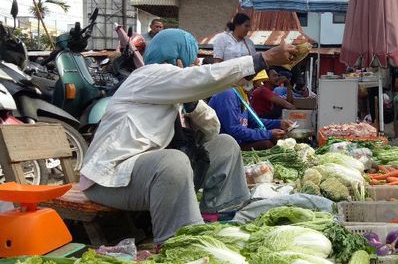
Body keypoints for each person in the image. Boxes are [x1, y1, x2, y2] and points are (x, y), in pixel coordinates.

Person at [79, 28, 297, 245]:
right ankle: (180, 243)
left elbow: (213, 129)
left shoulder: (174, 89)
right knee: (172, 161)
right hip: (109, 180)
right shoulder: (148, 76)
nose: (193, 66)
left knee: (225, 144)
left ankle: (220, 214)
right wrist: (263, 59)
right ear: (177, 57)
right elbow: (203, 76)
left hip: (146, 177)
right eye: (190, 60)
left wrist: (193, 105)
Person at [209, 73, 293, 150]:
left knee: (275, 140)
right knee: (266, 144)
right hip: (226, 146)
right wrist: (268, 134)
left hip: (239, 141)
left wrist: (279, 123)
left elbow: (255, 121)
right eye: (256, 83)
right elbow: (234, 130)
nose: (258, 86)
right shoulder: (227, 95)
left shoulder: (243, 96)